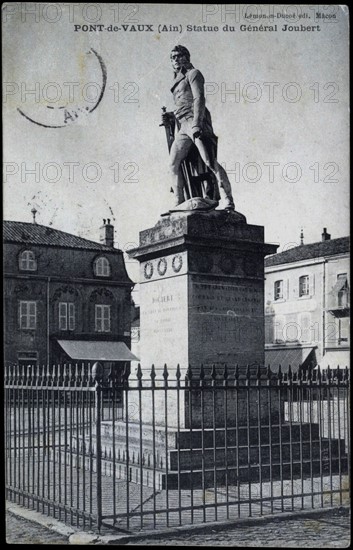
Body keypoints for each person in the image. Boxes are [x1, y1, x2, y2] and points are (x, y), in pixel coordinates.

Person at [162, 45, 235, 210]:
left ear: (186, 57)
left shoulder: (194, 74)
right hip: (182, 126)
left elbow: (199, 98)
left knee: (209, 161)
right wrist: (171, 117)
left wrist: (197, 123)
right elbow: (182, 104)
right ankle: (178, 202)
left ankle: (228, 199)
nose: (175, 60)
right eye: (172, 57)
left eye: (178, 56)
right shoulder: (177, 81)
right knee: (173, 163)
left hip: (195, 121)